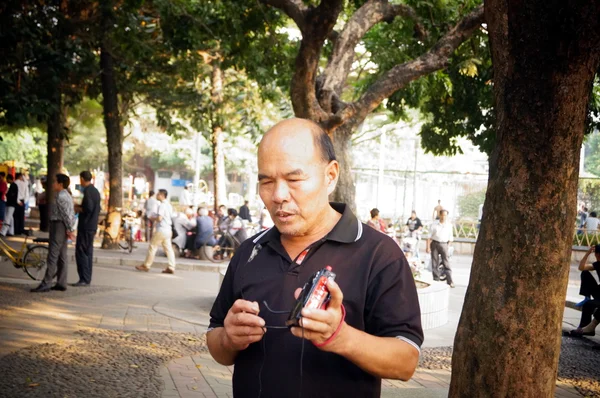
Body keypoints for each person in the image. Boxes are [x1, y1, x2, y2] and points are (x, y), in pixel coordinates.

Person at [206, 118, 422, 397]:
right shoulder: (250, 251)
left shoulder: (379, 254)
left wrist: (341, 337)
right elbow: (217, 343)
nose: (279, 195)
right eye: (267, 181)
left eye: (294, 179)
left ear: (330, 176)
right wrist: (228, 337)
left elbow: (406, 361)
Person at [31, 174, 76, 293]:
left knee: (53, 255)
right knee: (62, 255)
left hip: (58, 225)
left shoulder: (61, 196)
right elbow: (70, 214)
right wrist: (70, 228)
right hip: (62, 225)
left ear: (60, 184)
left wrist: (70, 229)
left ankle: (46, 283)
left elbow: (66, 214)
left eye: (55, 181)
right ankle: (61, 282)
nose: (53, 184)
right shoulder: (66, 195)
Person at [136, 189, 176, 274]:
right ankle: (171, 266)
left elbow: (159, 218)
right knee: (168, 249)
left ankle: (146, 265)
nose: (156, 196)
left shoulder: (162, 205)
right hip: (168, 229)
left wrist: (152, 218)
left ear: (161, 195)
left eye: (158, 194)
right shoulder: (169, 205)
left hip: (161, 229)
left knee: (152, 247)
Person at [72, 171, 101, 287]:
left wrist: (78, 208)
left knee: (82, 251)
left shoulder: (88, 191)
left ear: (82, 179)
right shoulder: (95, 191)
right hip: (92, 225)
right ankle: (87, 278)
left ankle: (84, 278)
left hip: (86, 225)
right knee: (88, 252)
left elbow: (88, 208)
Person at [567, 245, 600, 337]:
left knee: (588, 304)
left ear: (597, 254)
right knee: (585, 273)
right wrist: (587, 253)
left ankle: (587, 329)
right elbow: (581, 267)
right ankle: (586, 296)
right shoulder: (597, 264)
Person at [426, 209, 455, 288]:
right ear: (439, 215)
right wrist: (428, 247)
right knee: (435, 262)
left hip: (444, 244)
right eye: (442, 215)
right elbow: (429, 237)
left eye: (445, 215)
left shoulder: (449, 225)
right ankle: (436, 280)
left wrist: (447, 246)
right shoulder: (434, 224)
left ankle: (450, 281)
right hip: (435, 243)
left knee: (446, 262)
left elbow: (451, 238)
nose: (443, 217)